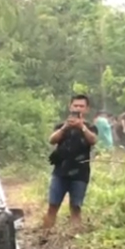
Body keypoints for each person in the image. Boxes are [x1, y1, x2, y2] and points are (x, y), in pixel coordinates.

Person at [44, 94, 98, 230]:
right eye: (76, 105)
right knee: (52, 206)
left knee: (76, 208)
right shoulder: (61, 126)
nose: (78, 108)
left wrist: (82, 127)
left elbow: (93, 140)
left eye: (82, 106)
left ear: (87, 109)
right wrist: (65, 128)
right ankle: (44, 236)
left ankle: (74, 240)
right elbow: (52, 140)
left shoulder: (90, 127)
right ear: (70, 107)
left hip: (80, 174)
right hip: (60, 172)